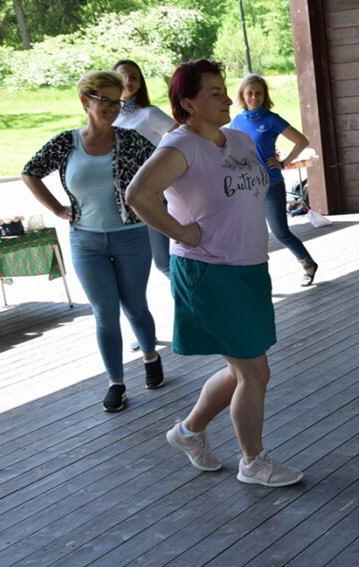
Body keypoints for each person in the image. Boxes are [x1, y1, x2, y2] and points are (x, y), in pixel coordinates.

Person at [126, 60, 302, 487]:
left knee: (245, 368)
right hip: (209, 271)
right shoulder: (180, 146)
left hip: (249, 268)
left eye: (224, 89)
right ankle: (252, 461)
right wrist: (180, 231)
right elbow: (138, 194)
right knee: (254, 372)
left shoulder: (239, 139)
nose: (227, 98)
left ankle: (188, 432)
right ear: (188, 103)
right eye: (215, 92)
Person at [22, 71, 163, 412]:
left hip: (130, 236)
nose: (113, 108)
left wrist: (151, 203)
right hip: (85, 240)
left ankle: (150, 355)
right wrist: (57, 208)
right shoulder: (66, 142)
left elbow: (164, 168)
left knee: (135, 305)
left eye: (118, 102)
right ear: (85, 101)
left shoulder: (131, 141)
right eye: (106, 101)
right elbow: (30, 172)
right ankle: (116, 382)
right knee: (104, 313)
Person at [230, 73, 318, 286]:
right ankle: (253, 278)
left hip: (271, 183)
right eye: (250, 93)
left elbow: (301, 140)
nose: (254, 97)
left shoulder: (271, 119)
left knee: (280, 232)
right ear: (242, 94)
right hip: (246, 185)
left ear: (265, 95)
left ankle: (308, 263)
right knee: (249, 233)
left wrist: (284, 162)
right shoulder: (237, 121)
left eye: (259, 93)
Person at [113, 59, 176, 278]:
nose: (128, 81)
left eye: (134, 77)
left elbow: (181, 134)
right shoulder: (110, 115)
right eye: (123, 76)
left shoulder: (149, 113)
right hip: (121, 197)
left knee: (164, 261)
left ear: (140, 83)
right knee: (131, 264)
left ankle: (194, 297)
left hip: (150, 191)